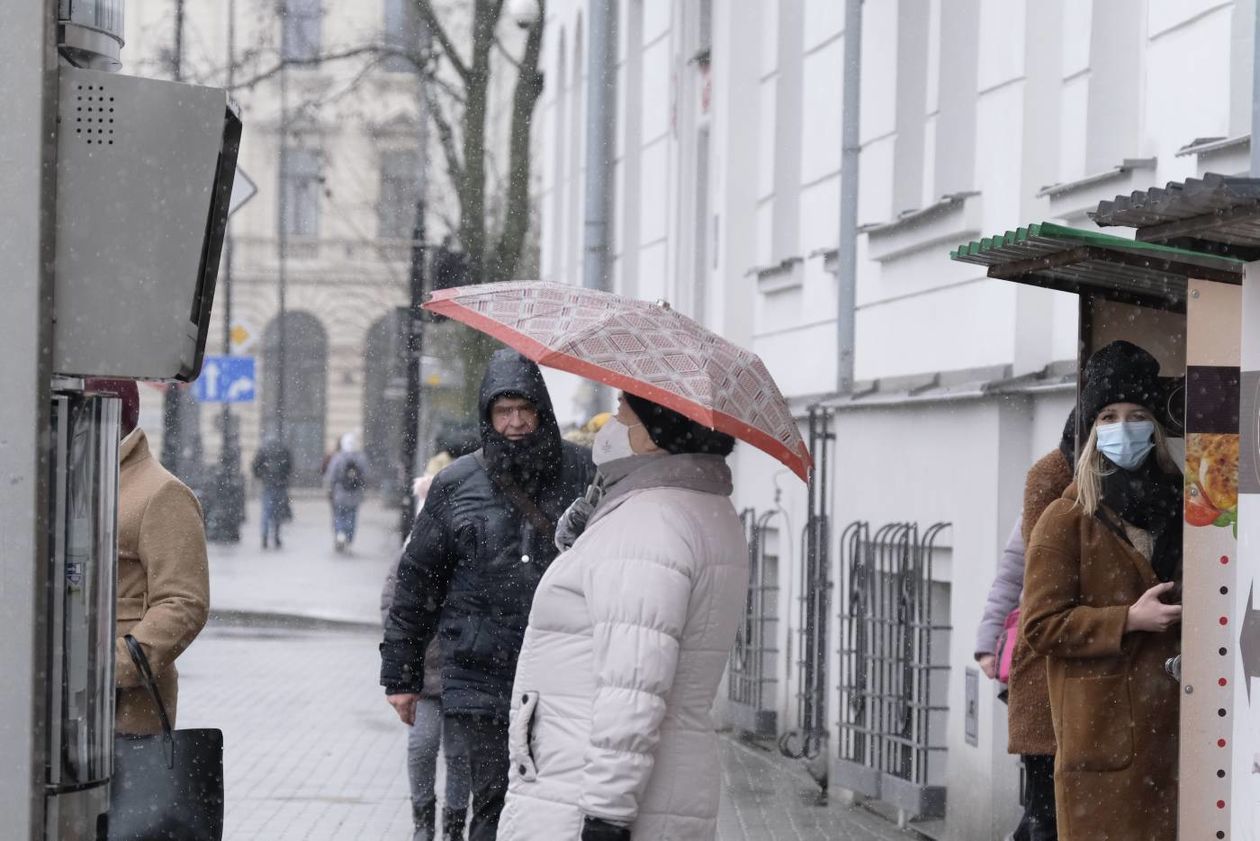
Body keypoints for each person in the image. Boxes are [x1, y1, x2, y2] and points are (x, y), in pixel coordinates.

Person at [497, 391, 748, 841]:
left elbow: (633, 687)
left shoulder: (650, 523)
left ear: (655, 435)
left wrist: (605, 819)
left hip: (584, 796)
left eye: (622, 413)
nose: (610, 424)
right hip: (661, 787)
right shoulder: (698, 507)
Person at [380, 349, 595, 841]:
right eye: (504, 411)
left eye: (524, 409)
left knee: (557, 799)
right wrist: (401, 675)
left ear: (542, 410)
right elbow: (418, 582)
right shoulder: (457, 484)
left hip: (562, 667)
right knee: (493, 797)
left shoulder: (582, 473)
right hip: (481, 667)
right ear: (488, 416)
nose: (516, 422)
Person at [1023, 341, 1183, 841]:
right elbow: (1040, 625)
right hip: (1105, 741)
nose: (1123, 426)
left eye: (1136, 414)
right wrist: (1127, 620)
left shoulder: (1185, 507)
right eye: (1108, 416)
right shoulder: (1065, 519)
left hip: (1179, 736)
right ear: (1090, 430)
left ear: (1155, 426)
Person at [86, 378, 210, 736]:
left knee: (124, 792)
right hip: (63, 705)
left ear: (111, 413)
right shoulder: (73, 476)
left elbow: (185, 602)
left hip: (124, 712)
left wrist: (115, 667)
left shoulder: (162, 492)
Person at [974, 410, 1075, 841]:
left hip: (1069, 673)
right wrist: (987, 640)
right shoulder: (1045, 498)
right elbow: (1011, 573)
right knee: (1042, 803)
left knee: (1046, 807)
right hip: (1036, 671)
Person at [382, 464, 471, 841]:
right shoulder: (415, 551)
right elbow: (393, 603)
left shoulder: (473, 545)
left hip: (465, 670)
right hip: (427, 672)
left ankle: (453, 824)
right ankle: (423, 821)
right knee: (421, 745)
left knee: (459, 755)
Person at [325, 431, 370, 552]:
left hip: (340, 492)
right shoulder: (361, 458)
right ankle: (349, 539)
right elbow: (366, 475)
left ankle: (340, 534)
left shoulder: (338, 457)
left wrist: (330, 489)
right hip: (355, 493)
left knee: (339, 515)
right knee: (352, 516)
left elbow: (331, 476)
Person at [252, 434, 293, 550]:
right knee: (277, 512)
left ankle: (264, 536)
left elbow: (255, 466)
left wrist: (262, 476)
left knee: (266, 512)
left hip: (268, 484)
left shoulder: (264, 449)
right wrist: (283, 478)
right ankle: (276, 536)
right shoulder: (283, 449)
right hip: (280, 485)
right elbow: (289, 467)